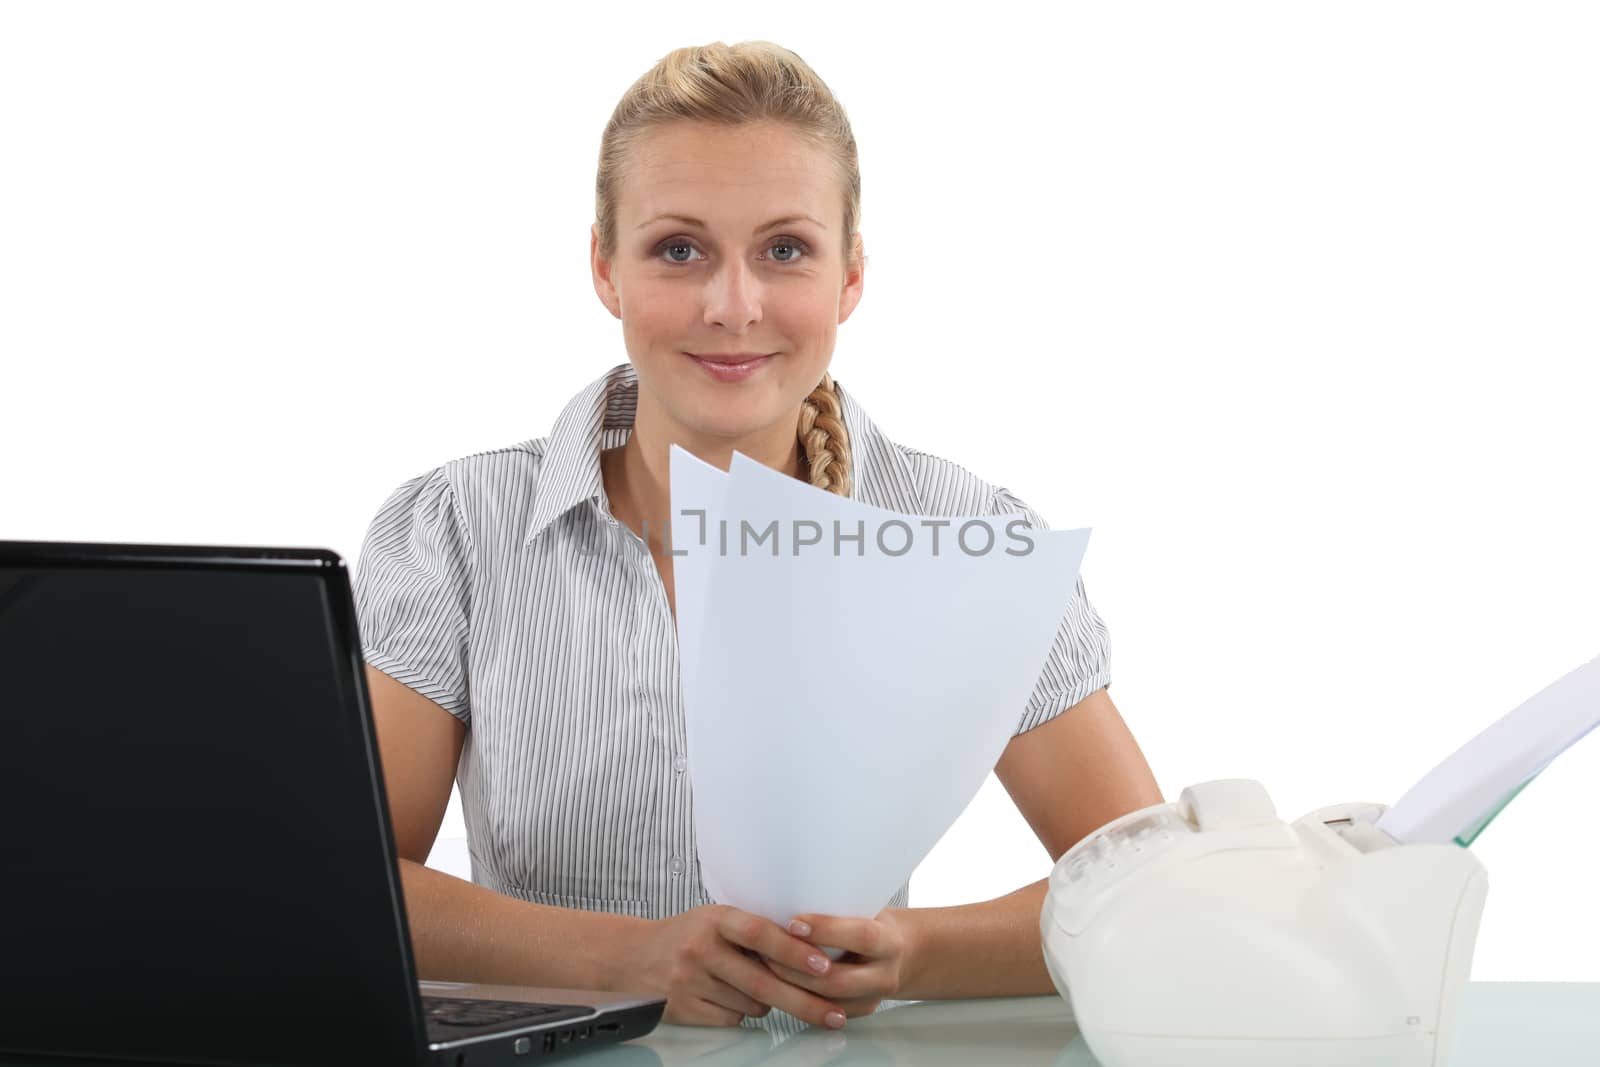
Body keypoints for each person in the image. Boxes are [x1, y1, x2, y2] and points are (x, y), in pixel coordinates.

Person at [353, 39, 1163, 1037]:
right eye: (677, 248)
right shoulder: (455, 530)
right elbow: (355, 886)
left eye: (784, 249)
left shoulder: (964, 534)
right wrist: (629, 958)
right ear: (605, 267)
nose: (732, 306)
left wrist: (908, 951)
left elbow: (1143, 881)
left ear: (850, 275)